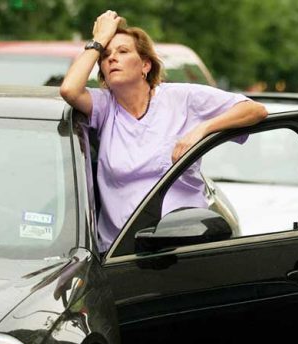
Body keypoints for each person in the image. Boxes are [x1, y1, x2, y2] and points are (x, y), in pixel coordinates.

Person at [60, 10, 268, 252]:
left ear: (145, 65)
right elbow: (69, 90)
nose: (112, 58)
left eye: (123, 51)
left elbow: (255, 110)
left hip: (183, 246)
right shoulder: (105, 107)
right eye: (105, 55)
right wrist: (98, 39)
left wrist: (202, 130)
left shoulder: (181, 97)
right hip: (121, 254)